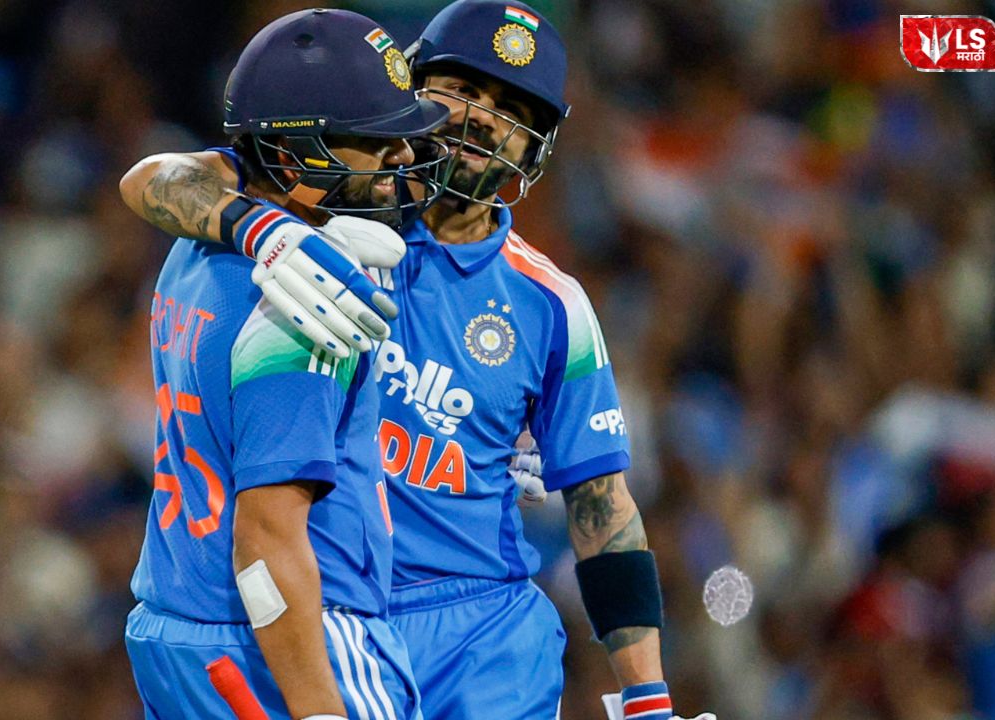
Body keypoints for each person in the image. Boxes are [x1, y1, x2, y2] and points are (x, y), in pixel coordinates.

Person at [122, 3, 716, 719]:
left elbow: (604, 507)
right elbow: (156, 178)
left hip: (478, 629)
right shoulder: (317, 211)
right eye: (462, 88)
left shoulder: (552, 304)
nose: (480, 118)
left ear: (538, 147)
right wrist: (260, 230)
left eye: (510, 108)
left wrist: (646, 693)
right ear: (403, 86)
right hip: (321, 604)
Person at [120, 9, 449, 720]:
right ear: (301, 155)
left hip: (177, 628)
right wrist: (321, 709)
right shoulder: (309, 296)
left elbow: (162, 177)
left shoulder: (205, 235)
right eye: (377, 141)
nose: (402, 159)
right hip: (292, 639)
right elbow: (268, 534)